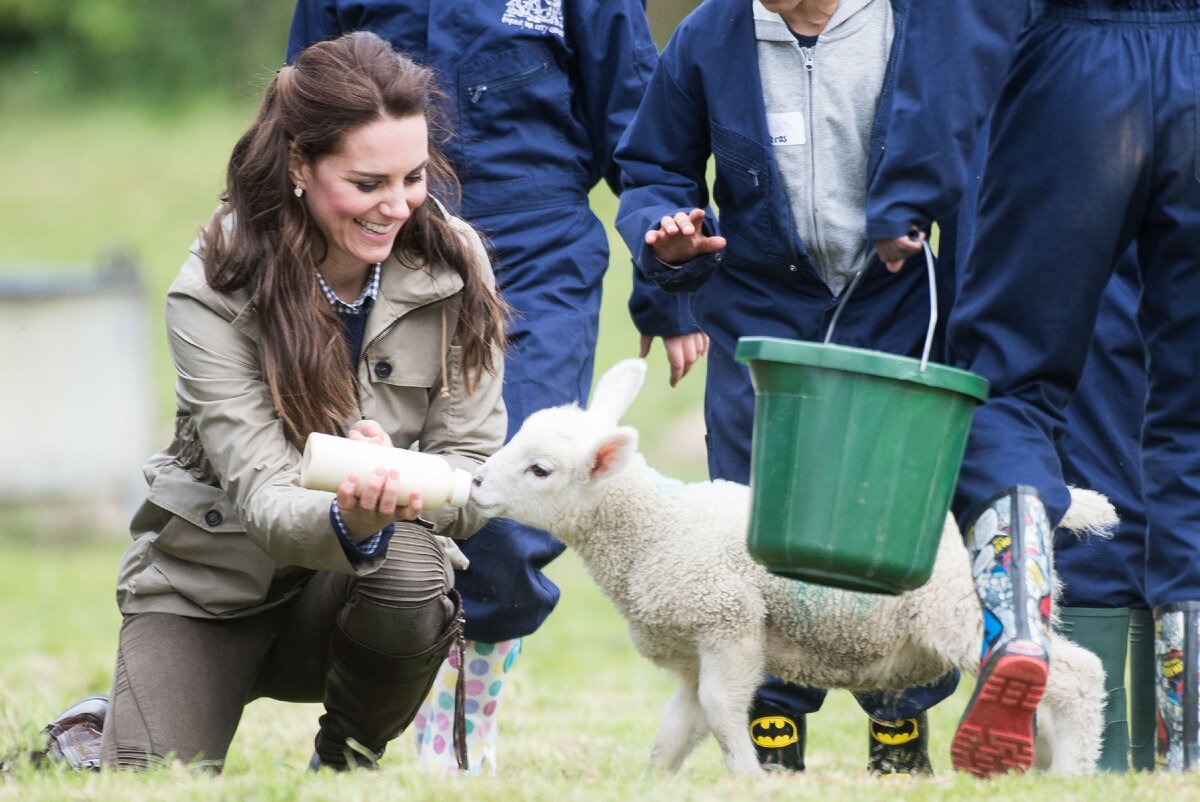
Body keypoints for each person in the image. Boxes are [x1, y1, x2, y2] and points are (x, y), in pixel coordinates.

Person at [287, 0, 704, 774]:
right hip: (381, 250)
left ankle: (457, 739)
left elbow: (643, 139)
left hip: (535, 265)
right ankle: (358, 733)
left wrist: (670, 287)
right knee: (372, 495)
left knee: (510, 506)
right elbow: (299, 124)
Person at [614, 0, 1024, 775]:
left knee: (899, 521)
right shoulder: (711, 35)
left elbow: (981, 156)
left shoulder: (919, 27)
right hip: (761, 313)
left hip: (899, 303)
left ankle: (900, 723)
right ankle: (772, 737)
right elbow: (652, 172)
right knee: (754, 526)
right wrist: (665, 241)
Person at [89, 31, 509, 771]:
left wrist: (400, 490)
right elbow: (265, 498)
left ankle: (347, 760)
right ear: (298, 166)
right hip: (209, 585)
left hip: (360, 594)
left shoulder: (456, 261)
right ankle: (95, 730)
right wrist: (352, 508)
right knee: (145, 778)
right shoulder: (211, 289)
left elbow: (475, 471)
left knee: (413, 565)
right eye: (368, 183)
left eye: (414, 177)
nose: (400, 206)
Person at [942, 0, 1200, 775]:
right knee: (1193, 418)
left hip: (1078, 54)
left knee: (1006, 387)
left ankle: (1018, 629)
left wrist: (911, 178)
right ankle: (1185, 746)